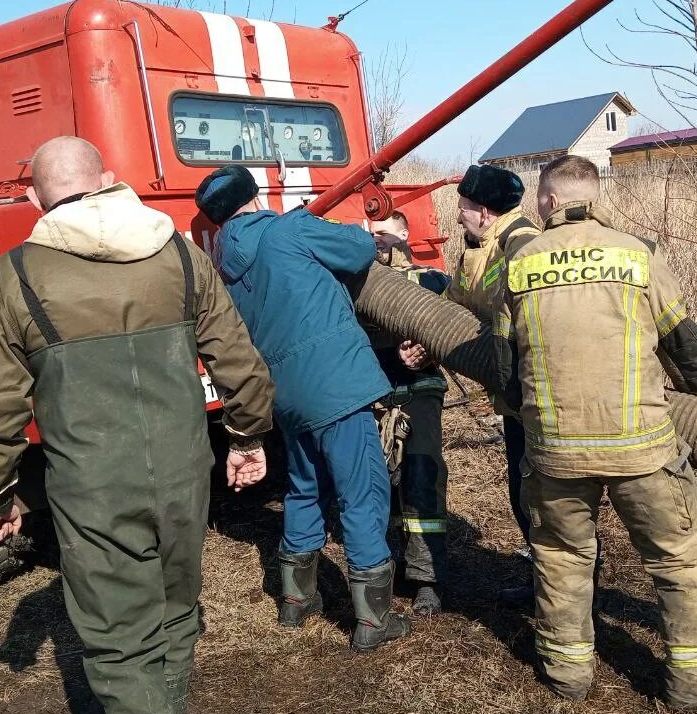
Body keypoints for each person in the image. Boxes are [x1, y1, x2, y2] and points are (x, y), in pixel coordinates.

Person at [0, 137, 275, 714]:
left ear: (33, 198)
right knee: (177, 612)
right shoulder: (181, 256)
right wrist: (246, 438)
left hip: (93, 487)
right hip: (187, 473)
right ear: (109, 178)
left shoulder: (14, 276)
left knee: (115, 642)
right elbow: (239, 362)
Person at [494, 154, 697, 710]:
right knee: (683, 561)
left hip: (554, 454)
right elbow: (687, 346)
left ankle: (567, 676)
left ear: (547, 201)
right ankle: (693, 688)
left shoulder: (520, 262)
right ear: (595, 199)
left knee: (559, 555)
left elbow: (504, 368)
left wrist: (523, 415)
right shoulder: (638, 254)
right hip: (641, 450)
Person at [194, 165, 413, 652]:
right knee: (363, 490)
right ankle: (374, 620)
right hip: (336, 384)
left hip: (285, 395)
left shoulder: (224, 265)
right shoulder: (288, 228)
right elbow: (358, 252)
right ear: (253, 198)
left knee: (303, 486)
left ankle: (296, 599)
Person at [445, 164, 540, 598]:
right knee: (521, 485)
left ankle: (561, 581)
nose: (457, 214)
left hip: (530, 395)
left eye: (463, 207)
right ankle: (543, 563)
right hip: (511, 392)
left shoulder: (523, 248)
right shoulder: (482, 245)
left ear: (484, 211)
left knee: (536, 490)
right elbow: (459, 300)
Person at [367, 212, 451, 615]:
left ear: (405, 234)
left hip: (420, 391)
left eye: (385, 233)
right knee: (383, 483)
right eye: (372, 235)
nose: (378, 241)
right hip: (377, 396)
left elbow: (457, 330)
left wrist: (427, 350)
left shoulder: (431, 279)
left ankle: (426, 579)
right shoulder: (358, 284)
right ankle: (388, 563)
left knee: (422, 476)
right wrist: (389, 353)